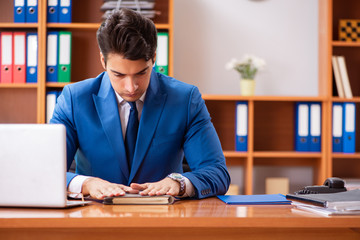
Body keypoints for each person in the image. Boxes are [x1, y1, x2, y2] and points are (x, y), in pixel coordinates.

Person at [50, 8, 230, 200]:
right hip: (95, 219)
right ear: (103, 61)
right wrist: (86, 183)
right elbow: (46, 169)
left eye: (141, 73)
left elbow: (217, 173)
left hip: (163, 221)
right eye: (119, 74)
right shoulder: (74, 99)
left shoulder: (185, 99)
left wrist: (179, 183)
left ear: (153, 57)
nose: (131, 87)